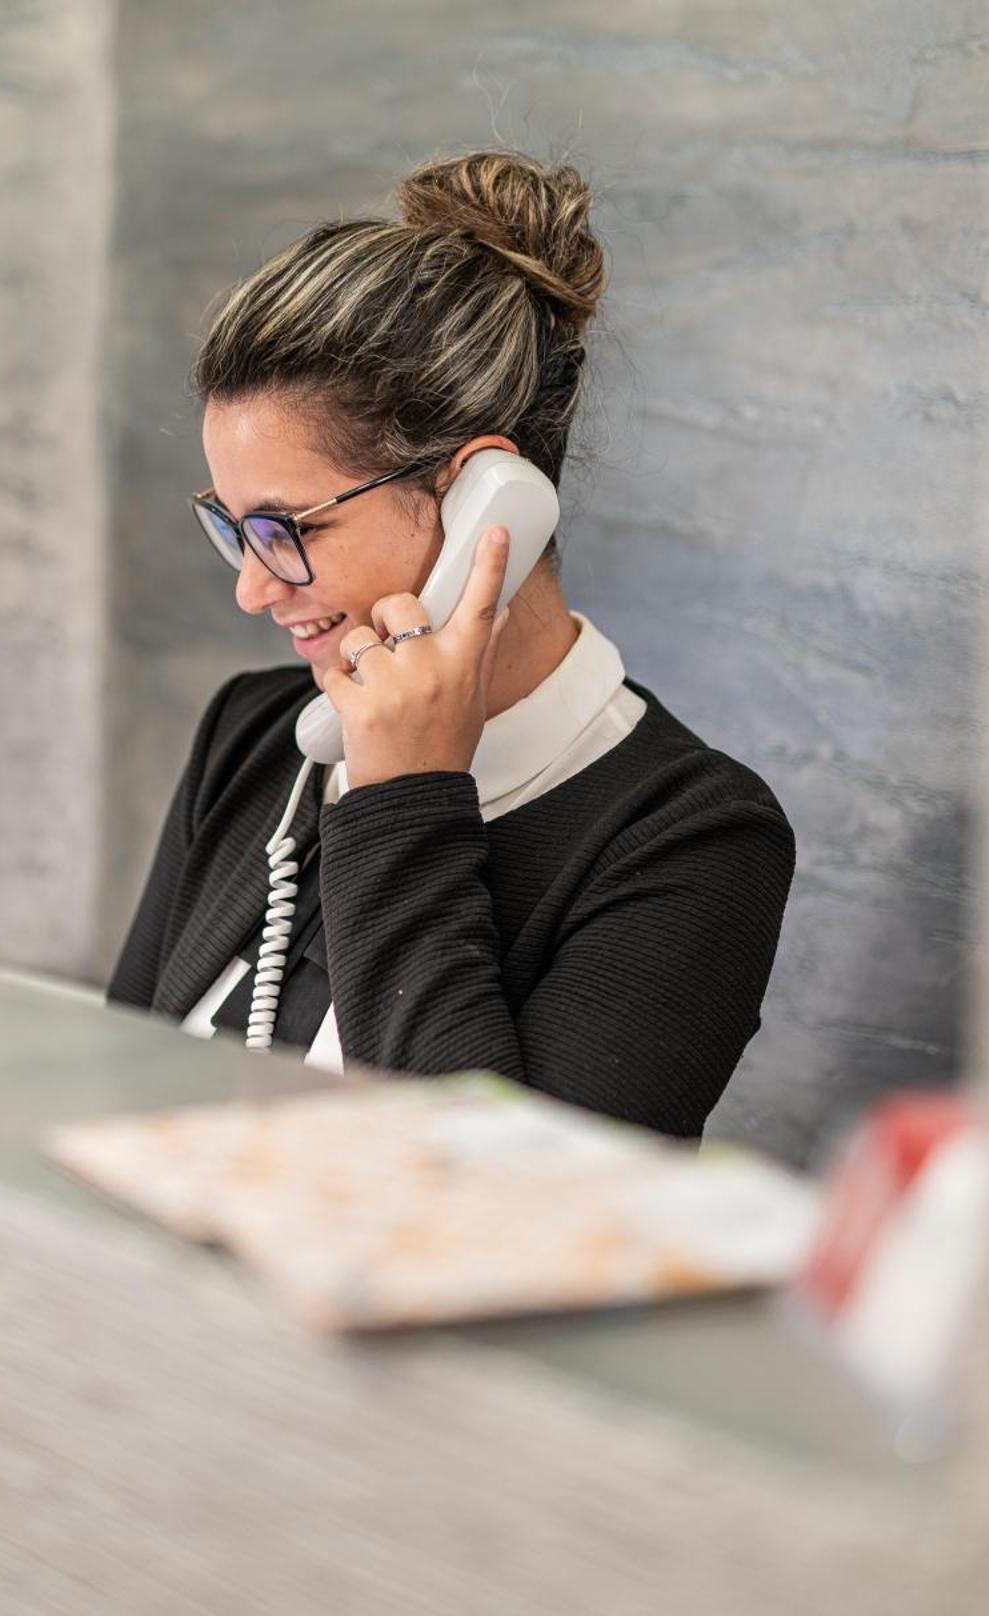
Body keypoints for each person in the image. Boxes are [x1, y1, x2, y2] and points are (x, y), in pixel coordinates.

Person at [106, 148, 795, 1141]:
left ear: (481, 497)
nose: (253, 588)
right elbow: (104, 1101)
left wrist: (402, 800)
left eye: (287, 529)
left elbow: (494, 1205)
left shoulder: (692, 839)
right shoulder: (255, 736)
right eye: (233, 525)